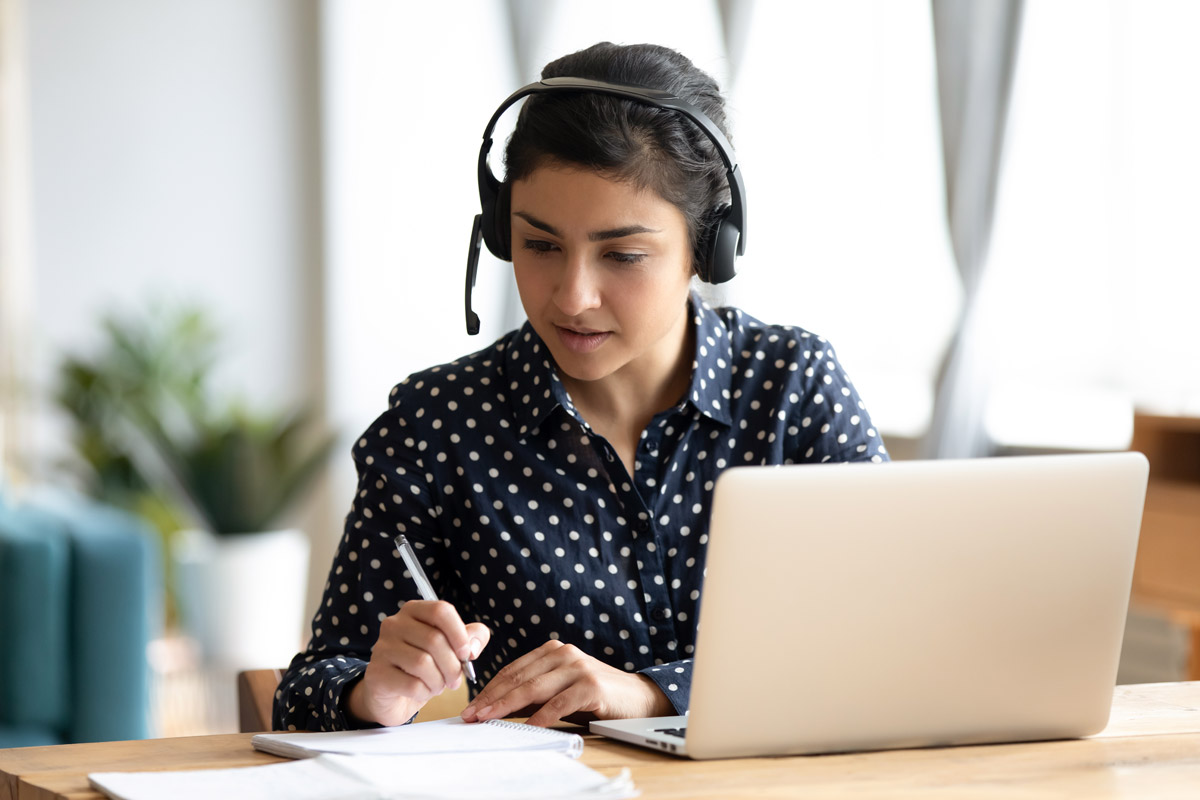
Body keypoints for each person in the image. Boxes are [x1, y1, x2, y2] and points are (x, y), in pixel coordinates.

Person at [274, 41, 888, 732]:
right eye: (539, 245)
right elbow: (310, 684)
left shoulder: (793, 389)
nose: (573, 296)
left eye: (622, 255)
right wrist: (371, 693)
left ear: (708, 248)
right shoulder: (435, 425)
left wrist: (651, 692)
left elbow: (893, 630)